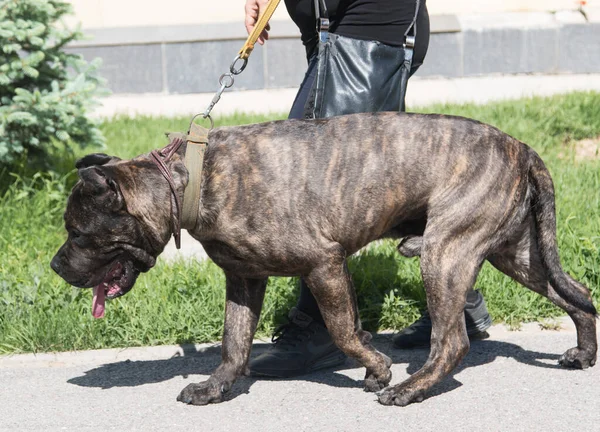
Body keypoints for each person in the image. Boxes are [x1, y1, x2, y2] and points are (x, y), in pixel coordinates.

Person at [244, 0, 492, 378]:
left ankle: (319, 330)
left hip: (370, 30)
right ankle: (459, 300)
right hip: (341, 32)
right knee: (389, 183)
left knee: (312, 184)